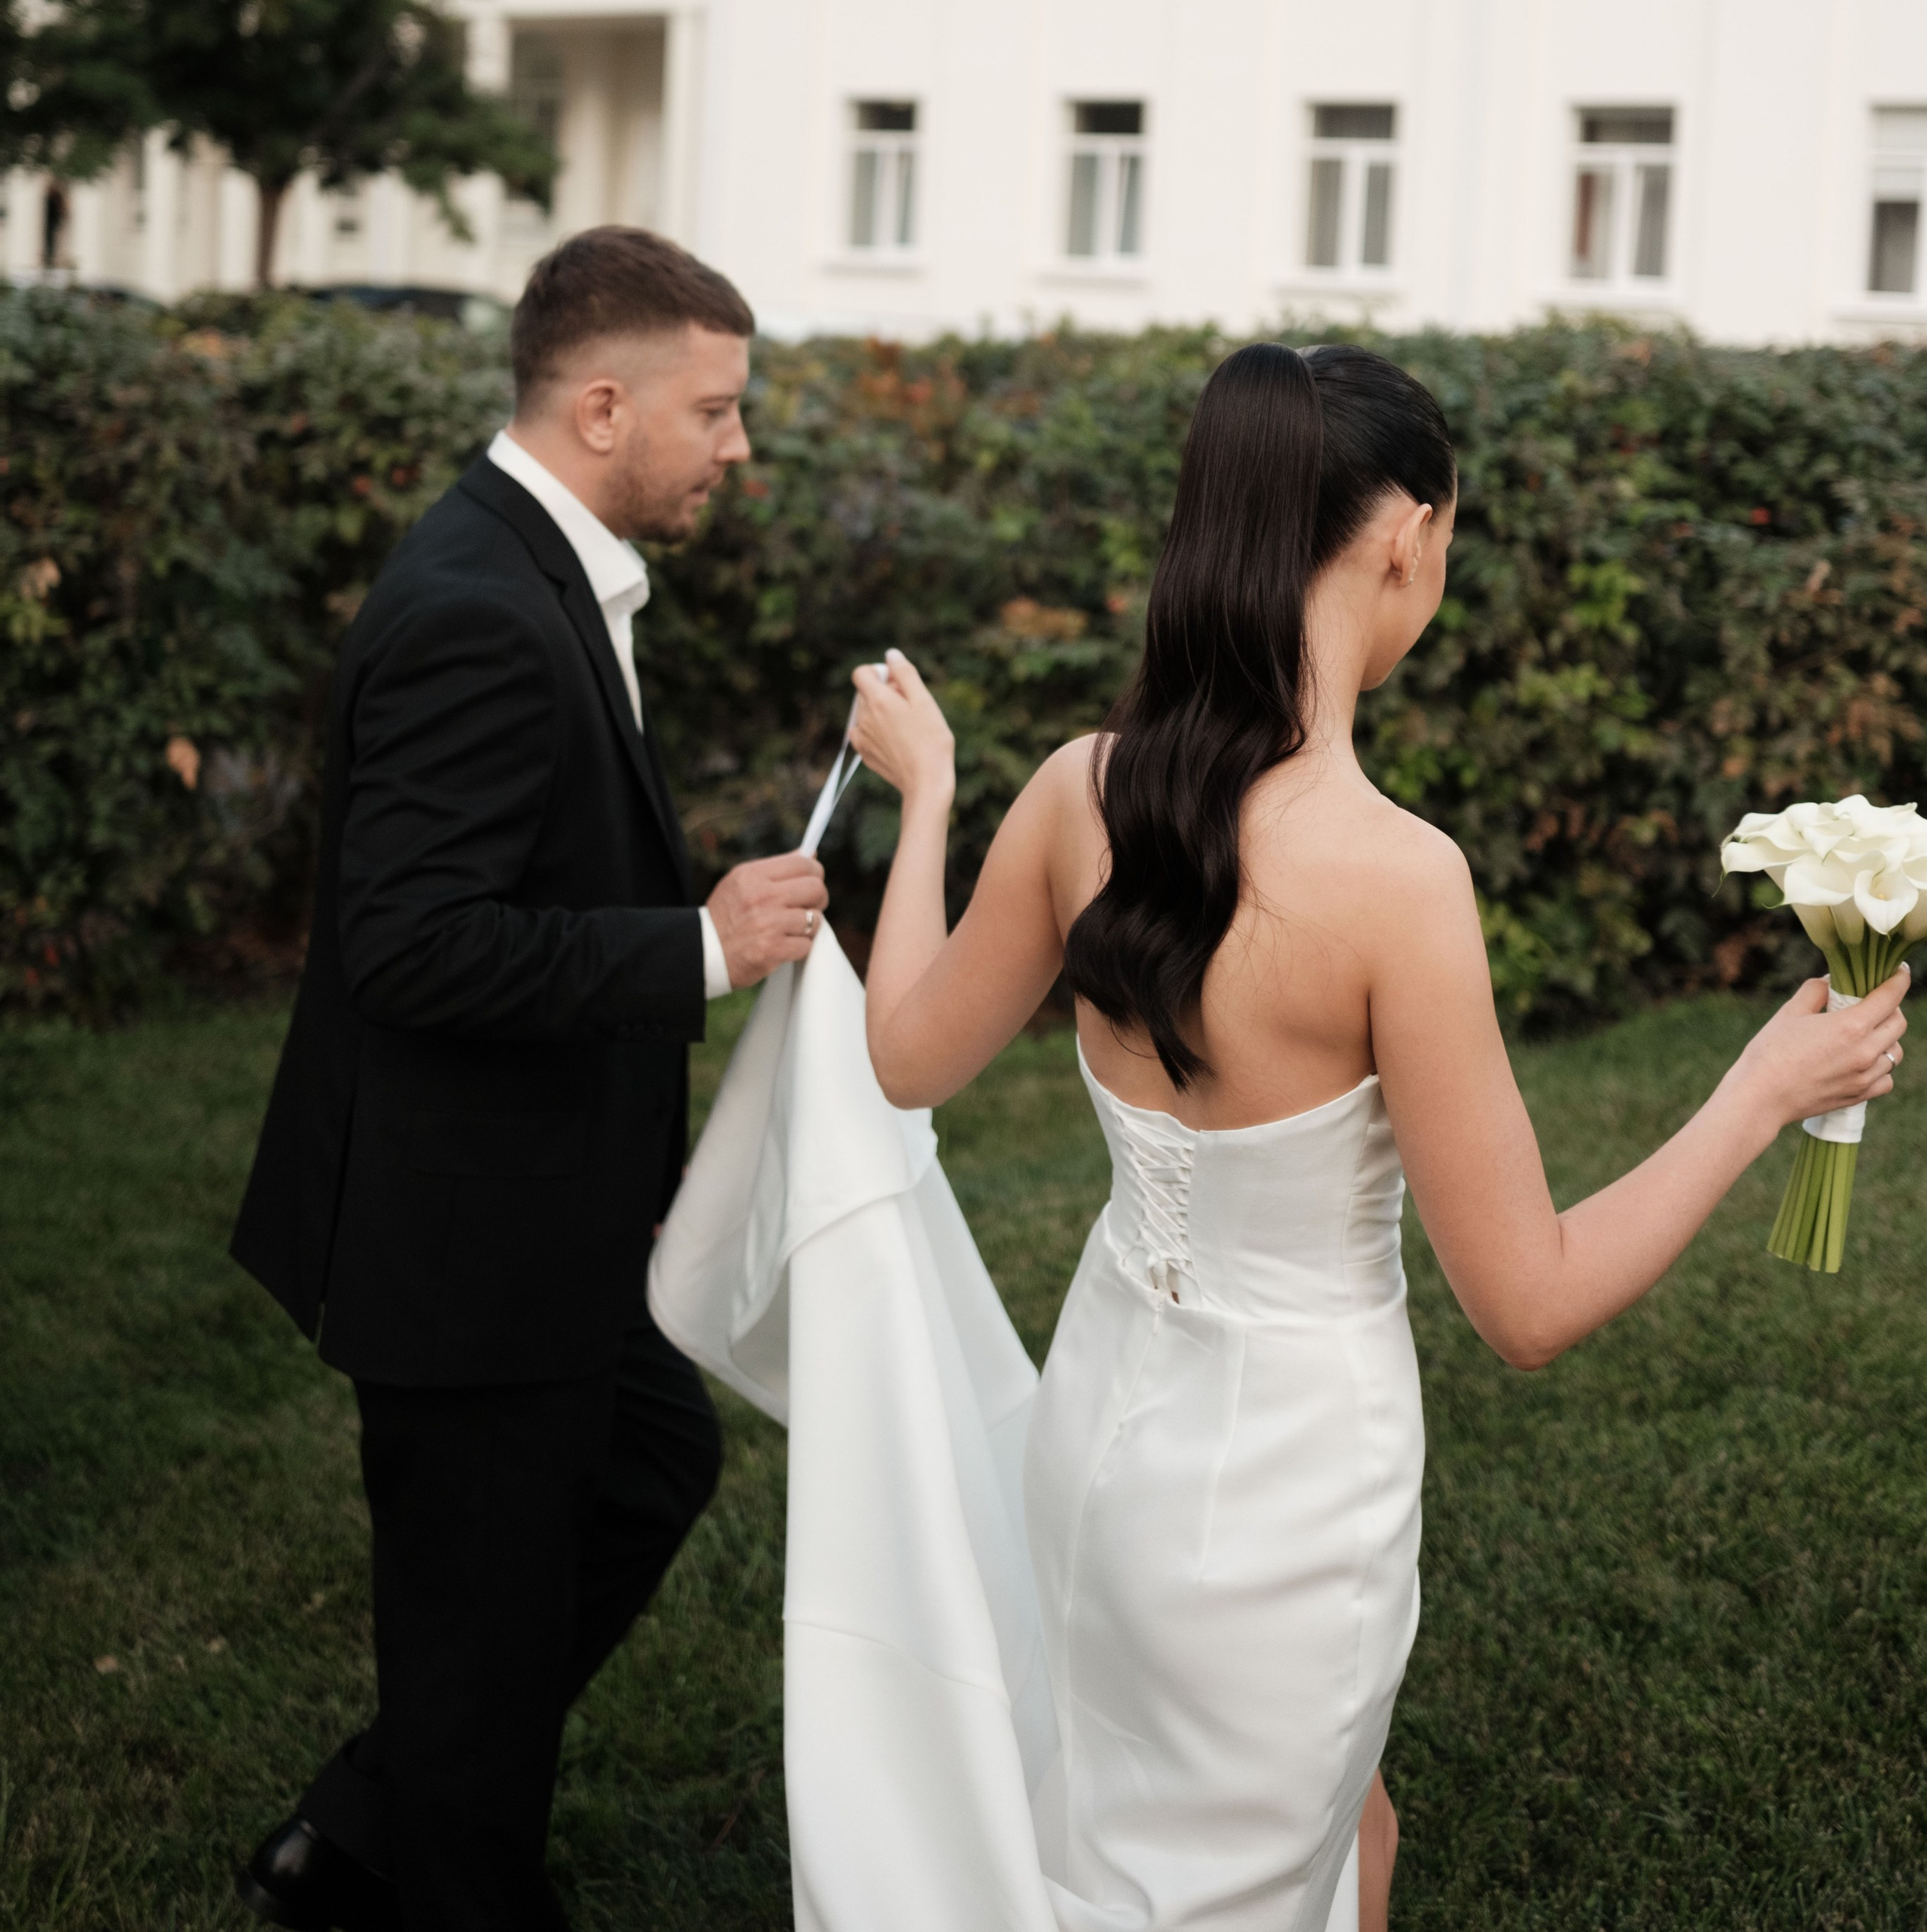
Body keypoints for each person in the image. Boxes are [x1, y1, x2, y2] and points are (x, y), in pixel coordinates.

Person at [842, 339, 1908, 1932]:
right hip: (1283, 1498)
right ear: (1404, 535)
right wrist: (1760, 1090)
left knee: (1263, 1828)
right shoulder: (1394, 880)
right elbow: (1525, 1303)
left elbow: (906, 1059)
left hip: (1098, 1440)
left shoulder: (1077, 793)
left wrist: (926, 795)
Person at [228, 227, 826, 1932]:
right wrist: (693, 950)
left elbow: (529, 858)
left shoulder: (539, 565)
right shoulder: (480, 610)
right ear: (601, 403)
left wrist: (690, 914)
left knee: (648, 1464)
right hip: (459, 1246)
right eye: (713, 413)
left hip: (538, 1227)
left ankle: (361, 1826)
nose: (737, 448)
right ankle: (425, 1877)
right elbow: (408, 945)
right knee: (477, 1631)